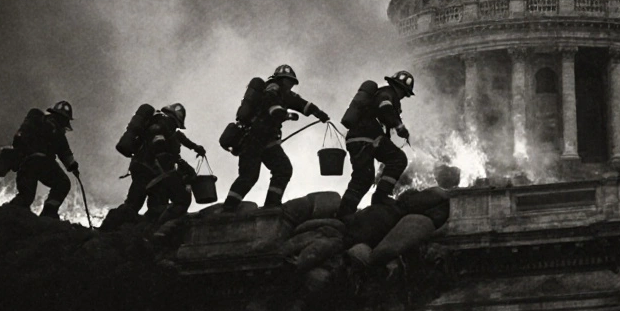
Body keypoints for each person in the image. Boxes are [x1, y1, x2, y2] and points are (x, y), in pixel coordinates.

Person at [222, 65, 329, 211]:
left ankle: (271, 205)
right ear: (281, 79)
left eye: (292, 83)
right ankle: (228, 208)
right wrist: (287, 115)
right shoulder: (272, 88)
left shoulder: (285, 95)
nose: (290, 85)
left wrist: (319, 113)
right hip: (252, 139)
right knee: (249, 176)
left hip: (266, 141)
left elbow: (302, 104)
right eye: (289, 81)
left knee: (282, 169)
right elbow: (272, 106)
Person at [337, 71, 414, 219]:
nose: (403, 97)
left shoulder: (379, 94)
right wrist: (400, 127)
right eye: (405, 93)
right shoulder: (387, 94)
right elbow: (385, 109)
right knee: (398, 159)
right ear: (400, 89)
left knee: (363, 178)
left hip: (358, 139)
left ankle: (344, 215)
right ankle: (380, 197)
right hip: (368, 139)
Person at [122, 103, 205, 223]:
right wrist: (174, 166)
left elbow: (178, 137)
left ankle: (143, 228)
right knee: (135, 203)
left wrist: (195, 147)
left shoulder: (165, 126)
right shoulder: (161, 124)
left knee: (154, 204)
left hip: (149, 170)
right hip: (147, 168)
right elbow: (159, 145)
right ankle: (113, 228)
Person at [9, 101, 79, 219]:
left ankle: (8, 214)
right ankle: (48, 213)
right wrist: (74, 168)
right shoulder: (58, 133)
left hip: (26, 163)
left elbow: (18, 140)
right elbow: (66, 155)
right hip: (44, 164)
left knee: (26, 196)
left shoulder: (37, 122)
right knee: (62, 183)